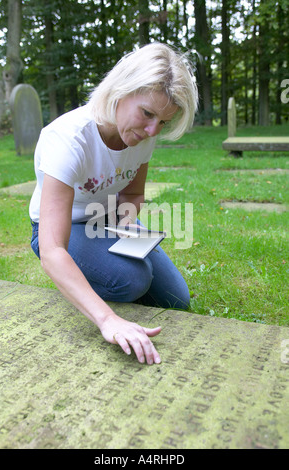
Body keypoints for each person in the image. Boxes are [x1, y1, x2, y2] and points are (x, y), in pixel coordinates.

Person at [29, 42, 198, 365]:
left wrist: (126, 222)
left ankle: (101, 270)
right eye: (147, 114)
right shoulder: (69, 139)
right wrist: (108, 320)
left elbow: (132, 195)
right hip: (59, 232)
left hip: (104, 220)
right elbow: (52, 250)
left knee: (177, 298)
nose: (151, 131)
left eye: (162, 122)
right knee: (131, 279)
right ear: (121, 91)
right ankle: (86, 287)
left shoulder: (142, 137)